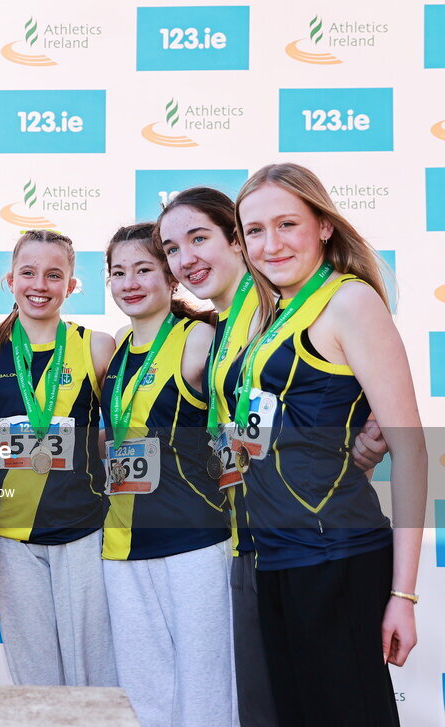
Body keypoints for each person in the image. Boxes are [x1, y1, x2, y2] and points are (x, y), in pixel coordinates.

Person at [154, 185, 389, 727]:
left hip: (315, 547)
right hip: (251, 542)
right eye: (171, 248)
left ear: (237, 242)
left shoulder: (279, 314)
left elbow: (363, 403)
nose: (186, 259)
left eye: (199, 238)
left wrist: (359, 449)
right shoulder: (220, 331)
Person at [229, 163, 425, 726]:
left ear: (323, 226)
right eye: (256, 231)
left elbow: (411, 449)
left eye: (287, 223)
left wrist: (403, 596)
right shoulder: (276, 313)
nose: (272, 244)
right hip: (276, 560)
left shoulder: (349, 302)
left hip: (336, 560)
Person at [0, 230, 117, 686]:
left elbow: (117, 434)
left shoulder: (97, 345)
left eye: (54, 275)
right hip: (11, 534)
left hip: (84, 530)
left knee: (92, 674)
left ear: (71, 285)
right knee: (34, 677)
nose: (40, 284)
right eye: (28, 272)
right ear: (9, 279)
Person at [101, 223, 235, 727]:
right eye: (118, 272)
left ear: (170, 277)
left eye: (144, 269)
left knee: (207, 691)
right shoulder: (115, 346)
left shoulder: (199, 336)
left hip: (193, 538)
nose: (130, 282)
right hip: (122, 543)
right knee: (143, 696)